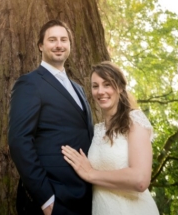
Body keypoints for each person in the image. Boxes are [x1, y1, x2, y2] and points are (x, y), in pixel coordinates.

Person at [8, 19, 93, 215]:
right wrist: (46, 198)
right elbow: (18, 140)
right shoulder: (29, 84)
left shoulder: (79, 89)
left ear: (69, 45)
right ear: (41, 46)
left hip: (85, 195)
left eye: (64, 40)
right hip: (54, 197)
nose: (58, 45)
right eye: (52, 40)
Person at [61, 61, 160, 215]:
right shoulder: (97, 130)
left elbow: (140, 180)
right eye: (95, 86)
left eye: (107, 84)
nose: (100, 91)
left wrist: (90, 174)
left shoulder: (134, 121)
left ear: (120, 87)